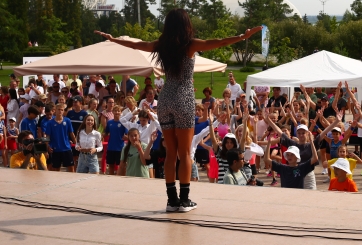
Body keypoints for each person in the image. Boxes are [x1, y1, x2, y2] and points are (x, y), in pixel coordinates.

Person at [96, 11, 261, 212]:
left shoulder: (161, 46)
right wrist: (242, 37)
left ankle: (171, 200)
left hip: (165, 98)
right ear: (186, 25)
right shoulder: (189, 45)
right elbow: (217, 42)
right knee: (184, 153)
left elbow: (137, 44)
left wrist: (114, 39)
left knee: (171, 153)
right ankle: (184, 200)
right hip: (183, 98)